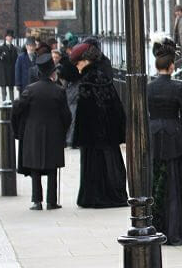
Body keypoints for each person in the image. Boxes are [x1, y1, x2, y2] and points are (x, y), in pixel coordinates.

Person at [148, 36, 182, 246]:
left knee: (156, 182)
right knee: (176, 184)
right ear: (172, 66)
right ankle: (177, 229)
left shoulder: (148, 88)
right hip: (176, 138)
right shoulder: (178, 89)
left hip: (154, 136)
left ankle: (157, 226)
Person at [69, 43, 128, 208]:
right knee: (112, 164)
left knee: (93, 167)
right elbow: (116, 108)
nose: (77, 67)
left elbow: (83, 115)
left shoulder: (86, 82)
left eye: (78, 63)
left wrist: (79, 137)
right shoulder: (104, 78)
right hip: (108, 136)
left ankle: (94, 197)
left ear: (85, 61)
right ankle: (115, 195)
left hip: (92, 138)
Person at [12, 55, 72, 210]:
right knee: (52, 167)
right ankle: (51, 201)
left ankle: (36, 201)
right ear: (52, 73)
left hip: (33, 133)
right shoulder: (59, 91)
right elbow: (67, 116)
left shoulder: (30, 90)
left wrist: (19, 129)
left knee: (35, 167)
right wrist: (63, 130)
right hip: (54, 133)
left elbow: (17, 110)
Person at [0, 30, 19, 101]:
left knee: (11, 88)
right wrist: (1, 56)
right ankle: (4, 102)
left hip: (11, 71)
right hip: (3, 71)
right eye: (8, 36)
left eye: (11, 37)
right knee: (4, 88)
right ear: (6, 37)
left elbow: (16, 60)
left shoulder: (14, 48)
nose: (10, 38)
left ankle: (12, 103)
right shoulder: (1, 47)